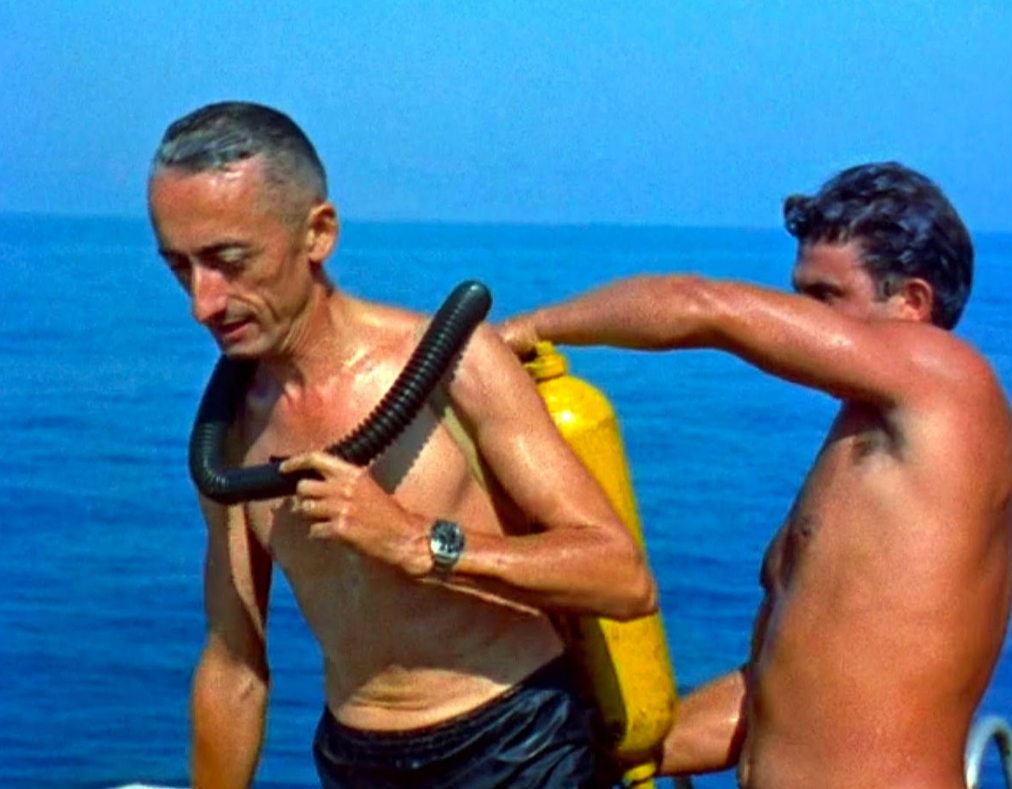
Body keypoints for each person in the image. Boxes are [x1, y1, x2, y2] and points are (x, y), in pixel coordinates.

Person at [147, 101, 657, 789]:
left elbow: (621, 577)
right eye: (180, 269)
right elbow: (234, 666)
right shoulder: (226, 437)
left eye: (229, 261)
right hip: (355, 759)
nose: (202, 303)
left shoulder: (452, 362)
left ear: (317, 233)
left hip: (515, 744)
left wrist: (420, 543)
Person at [500, 162, 1012, 789]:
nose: (798, 317)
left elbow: (702, 307)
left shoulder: (953, 382)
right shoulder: (866, 447)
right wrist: (600, 758)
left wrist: (520, 333)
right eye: (798, 294)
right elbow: (778, 694)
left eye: (825, 297)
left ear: (912, 302)